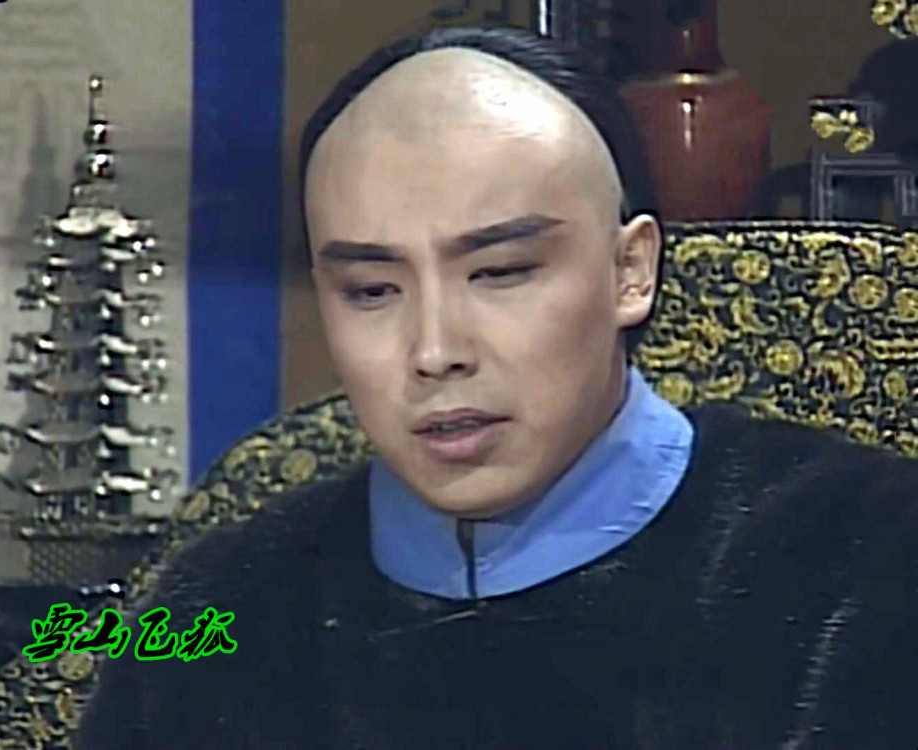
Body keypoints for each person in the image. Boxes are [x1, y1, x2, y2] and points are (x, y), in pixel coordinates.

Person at [76, 25, 918, 749]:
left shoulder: (864, 561)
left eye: (502, 272)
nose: (434, 350)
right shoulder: (213, 616)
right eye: (371, 290)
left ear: (631, 270)